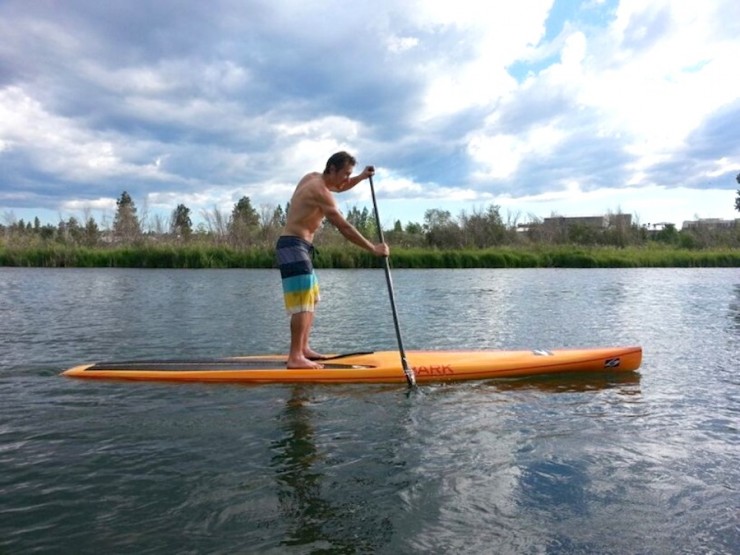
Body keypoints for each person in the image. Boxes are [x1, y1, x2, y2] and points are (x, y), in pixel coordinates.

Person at [276, 151, 389, 369]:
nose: (348, 179)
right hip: (293, 246)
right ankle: (295, 357)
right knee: (302, 303)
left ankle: (304, 349)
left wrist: (362, 177)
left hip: (300, 246)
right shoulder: (319, 191)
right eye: (346, 173)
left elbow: (340, 186)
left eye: (350, 174)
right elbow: (344, 227)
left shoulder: (313, 178)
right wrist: (372, 248)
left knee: (311, 299)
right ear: (332, 169)